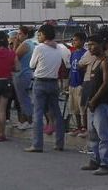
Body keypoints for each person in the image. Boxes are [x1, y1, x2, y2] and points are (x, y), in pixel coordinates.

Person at [25, 23, 66, 152]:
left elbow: (32, 64)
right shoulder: (59, 48)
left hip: (40, 82)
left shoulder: (40, 48)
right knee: (57, 114)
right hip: (54, 82)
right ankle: (59, 143)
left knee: (38, 113)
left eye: (40, 34)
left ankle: (37, 145)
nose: (38, 36)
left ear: (44, 35)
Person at [80, 35, 108, 175]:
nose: (90, 48)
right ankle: (95, 160)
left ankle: (106, 164)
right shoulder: (94, 60)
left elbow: (106, 84)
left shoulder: (106, 61)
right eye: (89, 45)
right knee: (93, 135)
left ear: (102, 44)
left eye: (93, 44)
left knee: (104, 135)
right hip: (92, 104)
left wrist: (94, 100)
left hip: (102, 103)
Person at [13, 26, 36, 130]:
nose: (18, 36)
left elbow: (14, 56)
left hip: (22, 73)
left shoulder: (25, 44)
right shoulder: (31, 44)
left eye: (20, 34)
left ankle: (29, 120)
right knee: (22, 98)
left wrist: (14, 45)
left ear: (26, 35)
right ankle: (24, 120)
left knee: (23, 98)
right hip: (26, 73)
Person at [67, 32, 87, 136]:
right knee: (74, 107)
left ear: (83, 41)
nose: (74, 42)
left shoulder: (85, 53)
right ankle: (78, 127)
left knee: (82, 107)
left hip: (80, 83)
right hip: (73, 83)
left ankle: (85, 127)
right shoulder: (73, 53)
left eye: (76, 40)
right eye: (73, 40)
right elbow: (71, 69)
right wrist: (68, 82)